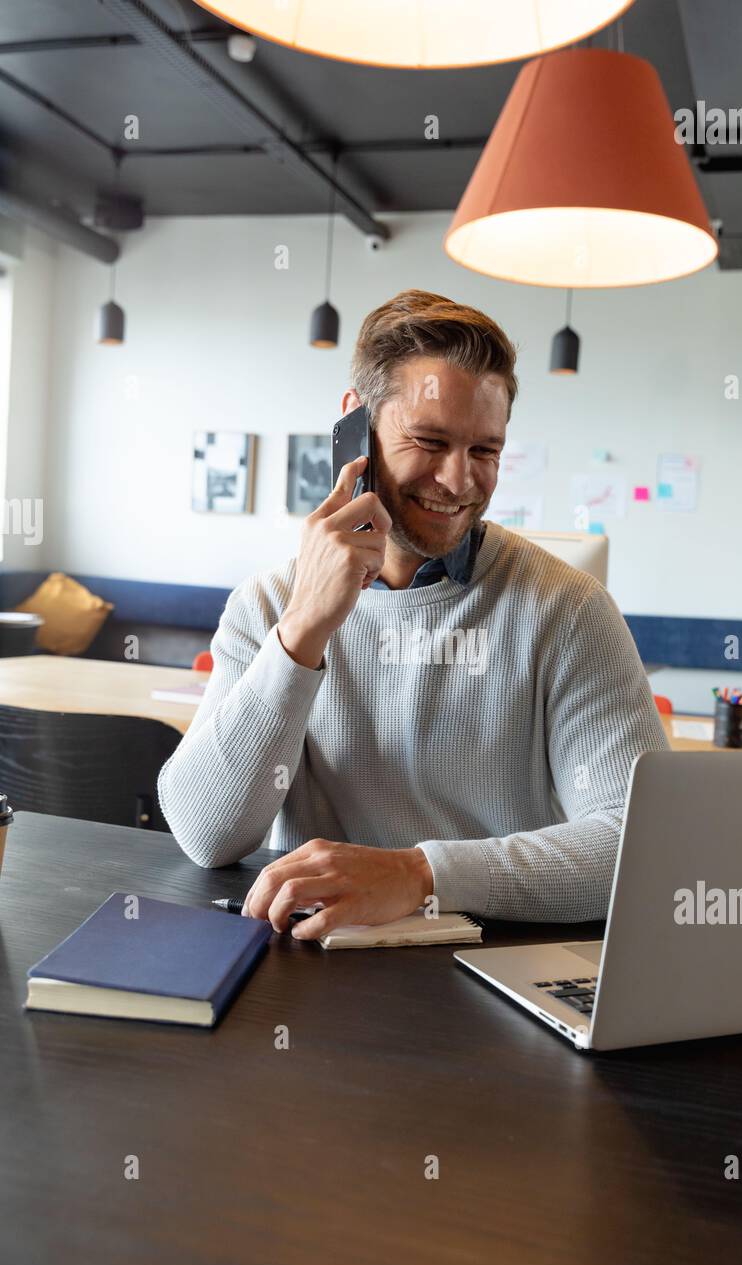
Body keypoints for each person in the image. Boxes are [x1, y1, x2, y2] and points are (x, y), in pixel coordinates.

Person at [158, 289, 667, 937]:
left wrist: (420, 877)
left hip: (496, 975)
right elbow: (208, 835)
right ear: (356, 426)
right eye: (430, 441)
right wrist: (304, 629)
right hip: (313, 974)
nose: (459, 482)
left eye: (485, 451)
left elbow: (638, 845)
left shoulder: (566, 611)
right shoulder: (266, 606)